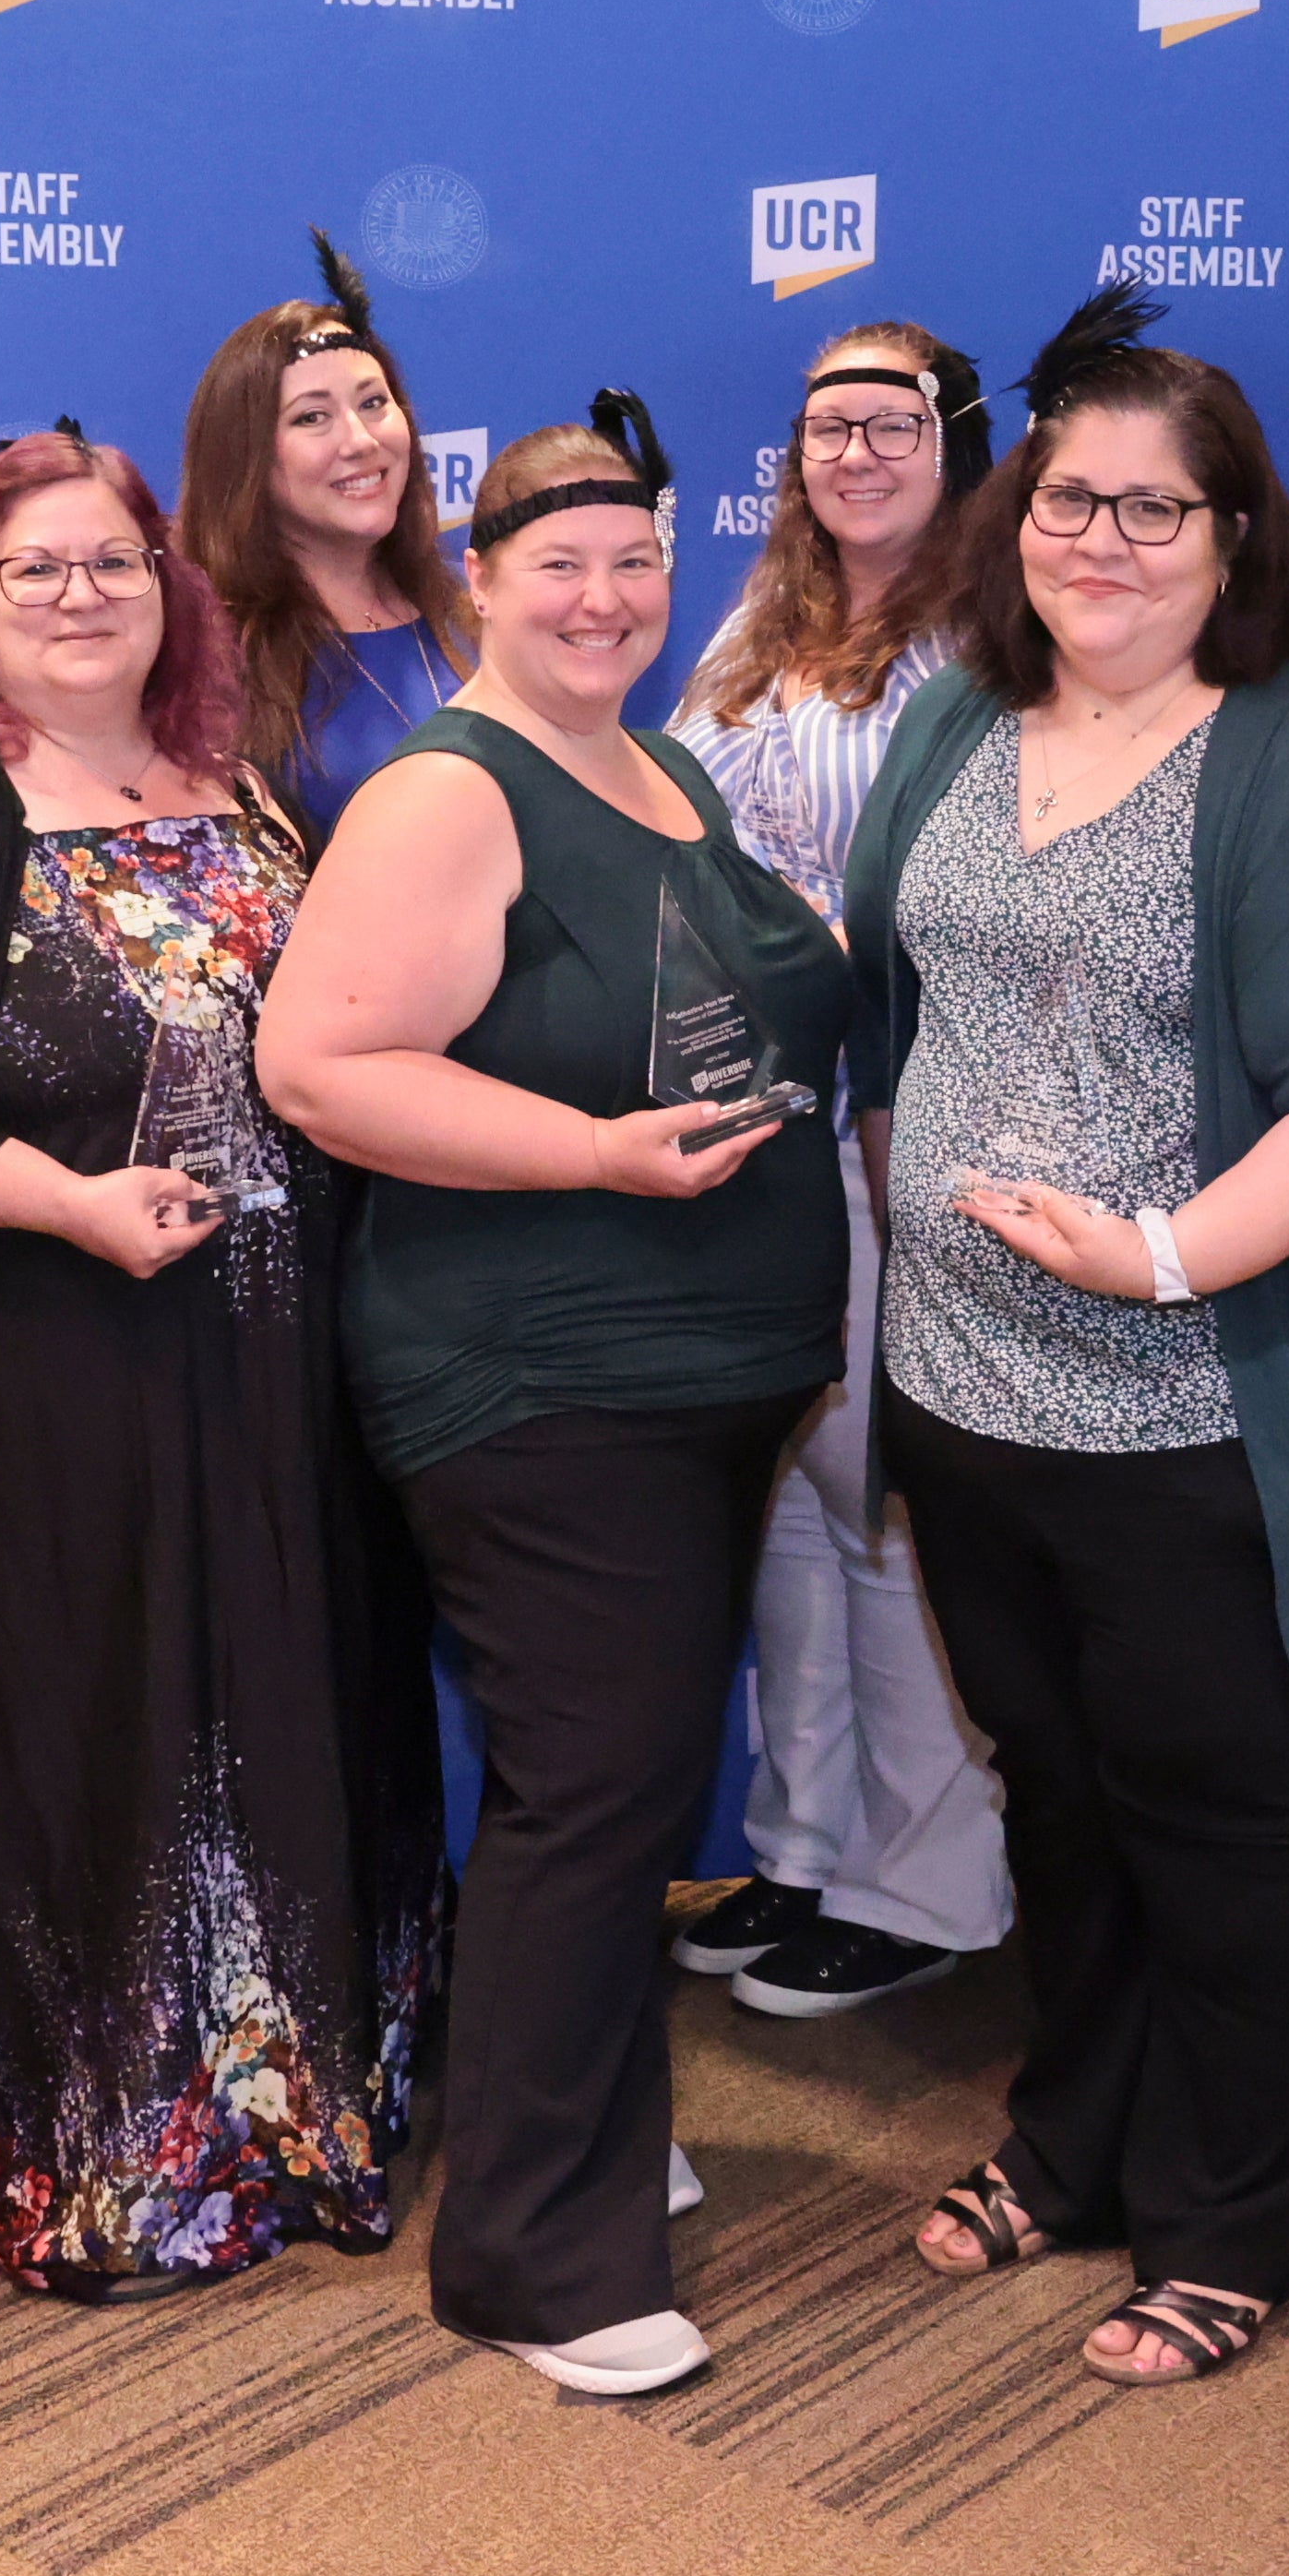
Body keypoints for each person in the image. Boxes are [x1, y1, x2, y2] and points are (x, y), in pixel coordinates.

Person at [843, 290, 1289, 2391]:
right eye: (1068, 496)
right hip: (963, 1399)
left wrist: (1162, 1251)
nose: (1102, 537)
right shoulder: (957, 715)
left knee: (1229, 1824)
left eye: (1156, 504)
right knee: (1059, 1796)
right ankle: (1078, 2134)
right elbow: (898, 984)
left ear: (1237, 535)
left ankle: (1233, 2206)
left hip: (1194, 1415)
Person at [0, 432, 439, 2299]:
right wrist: (55, 1201)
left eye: (114, 564)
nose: (78, 596)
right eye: (33, 568)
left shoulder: (234, 786)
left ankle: (284, 2098)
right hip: (50, 1359)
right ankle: (101, 2127)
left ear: (168, 588)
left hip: (270, 1357)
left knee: (269, 1694)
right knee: (96, 1713)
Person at [260, 393, 848, 2396]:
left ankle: (578, 2116)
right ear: (477, 584)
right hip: (537, 1376)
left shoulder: (654, 756)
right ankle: (526, 2250)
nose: (600, 594)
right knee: (590, 1794)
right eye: (553, 564)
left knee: (612, 1781)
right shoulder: (447, 788)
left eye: (630, 559)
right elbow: (322, 1067)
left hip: (689, 1377)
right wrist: (594, 1154)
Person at [660, 321, 1015, 2022]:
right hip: (764, 1120)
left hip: (913, 1113)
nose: (853, 450)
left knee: (887, 1501)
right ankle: (802, 1842)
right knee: (798, 1507)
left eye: (890, 420)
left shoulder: (997, 633)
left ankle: (928, 1879)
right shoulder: (756, 622)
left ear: (956, 440)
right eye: (822, 423)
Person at [183, 233, 475, 834]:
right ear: (247, 460)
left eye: (373, 402)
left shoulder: (471, 617)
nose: (360, 441)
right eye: (312, 417)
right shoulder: (201, 651)